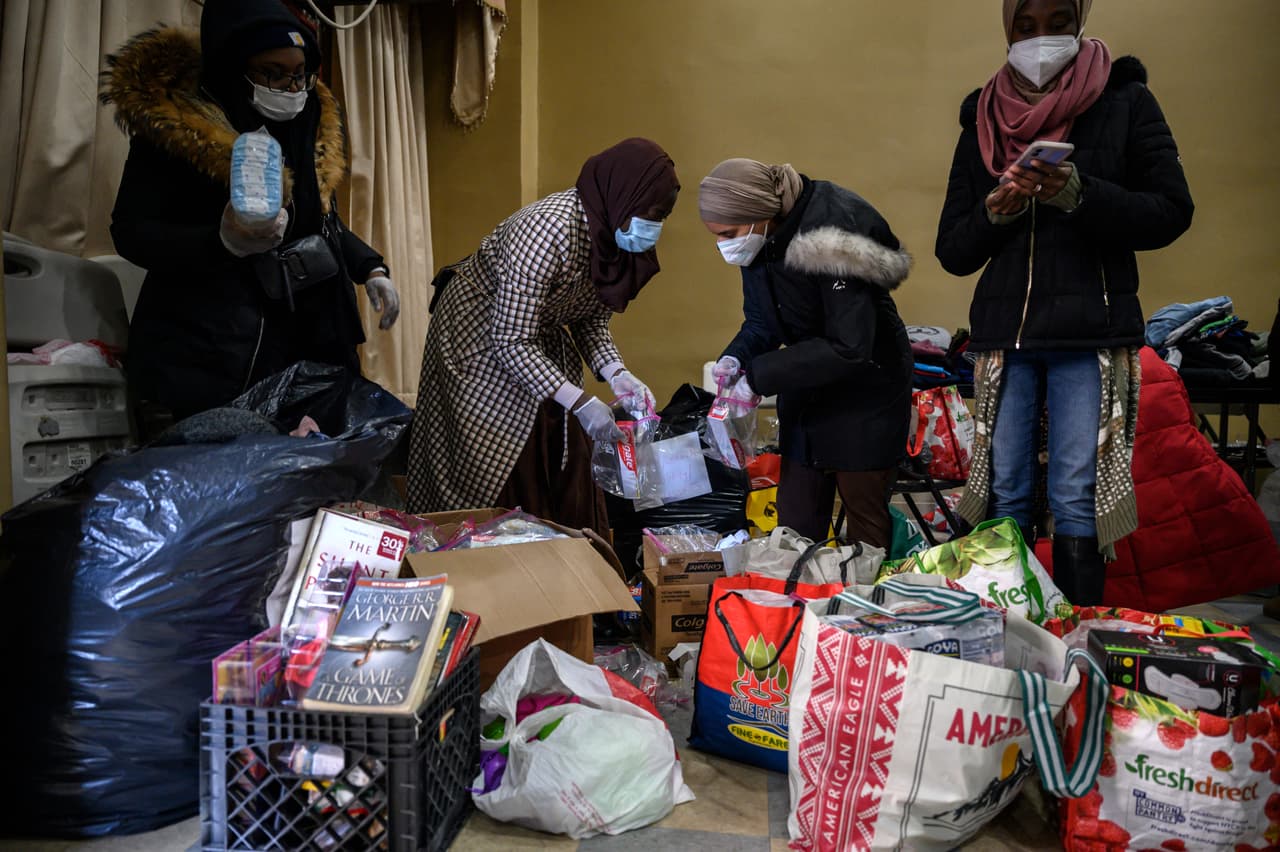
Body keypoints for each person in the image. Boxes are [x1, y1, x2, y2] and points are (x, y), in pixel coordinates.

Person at [935, 0, 1193, 604]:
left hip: (1090, 336)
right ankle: (1016, 626)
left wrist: (1081, 195)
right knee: (1007, 491)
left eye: (1057, 22)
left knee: (1078, 493)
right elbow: (953, 250)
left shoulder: (1125, 101)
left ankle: (1076, 629)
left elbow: (1171, 212)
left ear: (1080, 19)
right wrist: (995, 214)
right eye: (1026, 26)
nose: (1042, 39)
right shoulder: (983, 116)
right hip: (1006, 338)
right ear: (1007, 29)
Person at [103, 0, 399, 432]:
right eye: (271, 73)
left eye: (299, 74)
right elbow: (130, 232)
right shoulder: (175, 136)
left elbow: (317, 221)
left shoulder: (307, 122)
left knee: (318, 477)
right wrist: (218, 242)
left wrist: (370, 267)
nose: (289, 88)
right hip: (207, 354)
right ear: (231, 68)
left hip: (306, 346)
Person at [406, 138, 679, 533]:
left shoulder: (610, 235)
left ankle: (563, 548)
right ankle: (492, 544)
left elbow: (590, 320)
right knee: (498, 446)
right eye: (651, 213)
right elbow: (511, 340)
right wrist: (582, 403)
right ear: (624, 195)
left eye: (662, 216)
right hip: (478, 335)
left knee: (559, 435)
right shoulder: (547, 230)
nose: (653, 226)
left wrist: (618, 375)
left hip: (532, 333)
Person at [701, 159, 913, 548]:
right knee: (795, 525)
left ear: (758, 214)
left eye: (727, 233)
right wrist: (735, 359)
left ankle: (861, 606)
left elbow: (851, 346)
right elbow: (761, 323)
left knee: (864, 526)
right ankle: (800, 606)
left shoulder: (833, 235)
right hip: (807, 387)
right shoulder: (759, 239)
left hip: (866, 392)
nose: (723, 245)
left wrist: (758, 378)